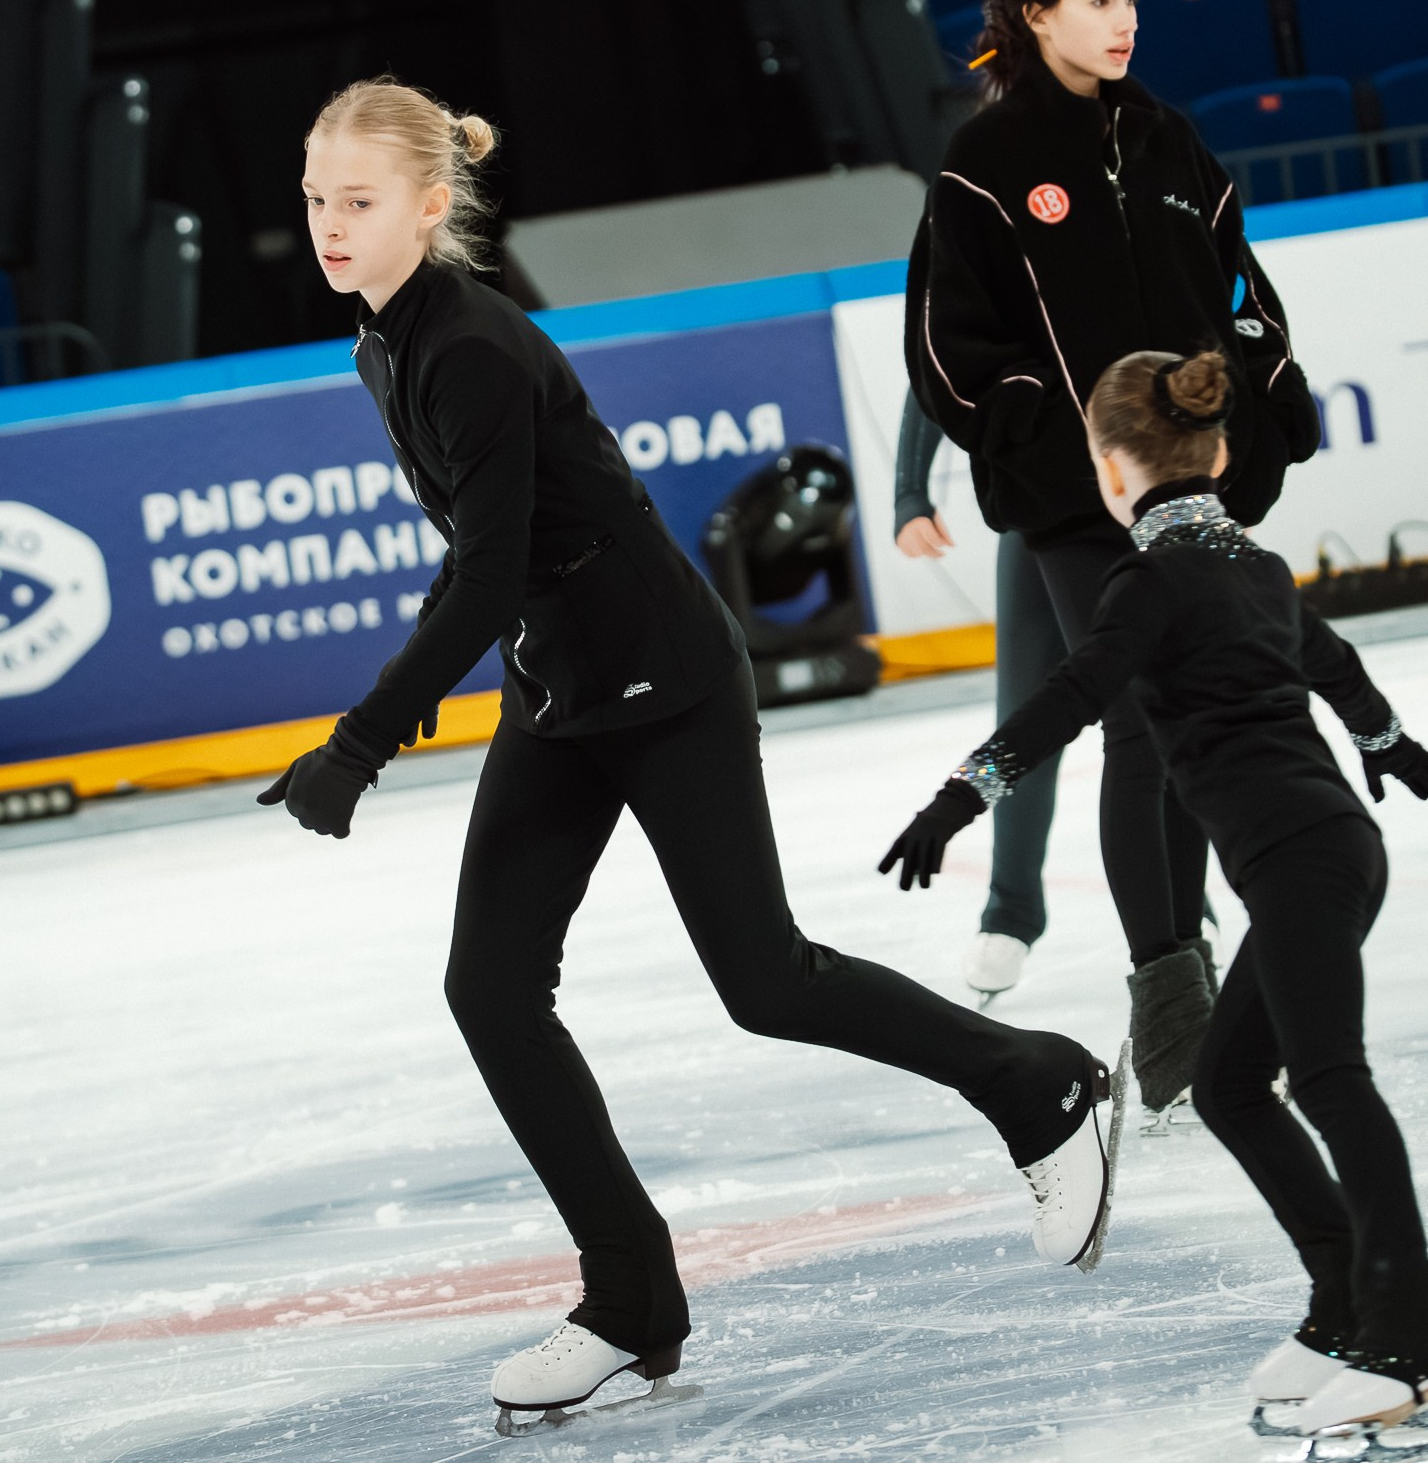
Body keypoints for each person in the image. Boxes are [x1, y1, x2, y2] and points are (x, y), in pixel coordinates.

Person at [262, 76, 1128, 1435]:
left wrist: (362, 738)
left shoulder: (469, 346)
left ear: (430, 208)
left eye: (356, 200)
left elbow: (485, 575)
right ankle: (631, 1300)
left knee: (764, 976)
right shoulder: (385, 344)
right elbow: (500, 574)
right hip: (562, 691)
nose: (327, 222)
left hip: (665, 683)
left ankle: (1040, 1082)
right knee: (490, 985)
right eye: (314, 197)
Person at [879, 350, 1428, 1455]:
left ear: (1108, 472)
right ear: (1219, 453)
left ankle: (1422, 1336)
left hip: (1298, 865)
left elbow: (1072, 694)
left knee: (1330, 1080)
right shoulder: (1254, 569)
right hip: (1324, 854)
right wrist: (1387, 741)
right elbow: (1333, 658)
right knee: (1228, 1083)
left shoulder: (1147, 586)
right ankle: (1342, 1300)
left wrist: (961, 794)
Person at [905, 0, 1323, 1125]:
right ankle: (1169, 988)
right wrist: (1040, 430)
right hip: (1075, 503)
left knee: (1190, 713)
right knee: (1143, 719)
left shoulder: (1171, 142)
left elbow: (1244, 288)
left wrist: (1262, 399)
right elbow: (944, 344)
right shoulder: (984, 163)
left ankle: (1187, 951)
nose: (1123, 19)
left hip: (1193, 479)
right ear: (1035, 14)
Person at [891, 391, 1070, 1007]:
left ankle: (1181, 905)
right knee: (1024, 721)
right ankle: (1012, 908)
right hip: (1039, 513)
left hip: (1137, 509)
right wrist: (909, 490)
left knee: (1152, 725)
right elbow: (935, 368)